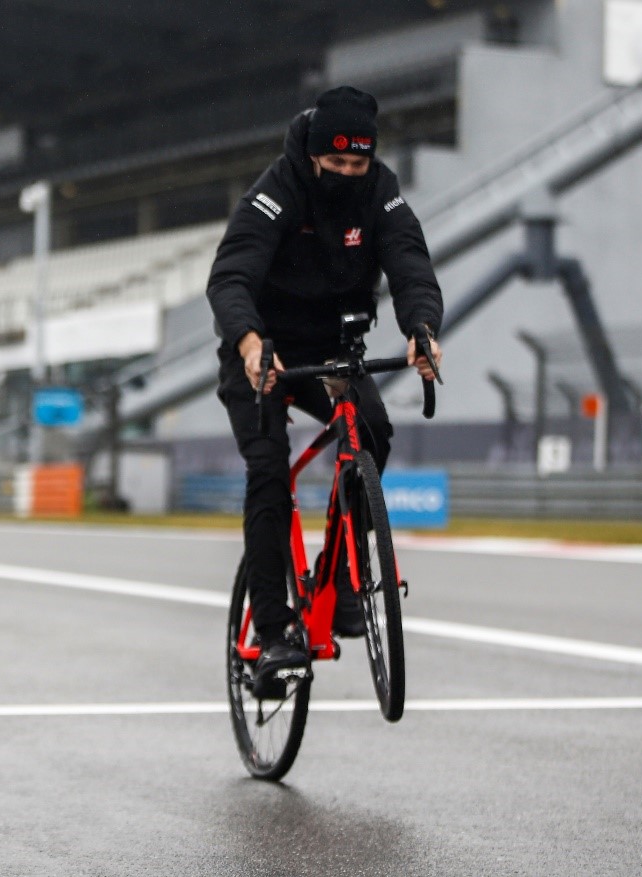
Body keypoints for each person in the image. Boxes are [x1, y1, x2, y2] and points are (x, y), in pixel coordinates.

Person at [205, 86, 443, 684]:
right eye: (333, 163)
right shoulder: (277, 189)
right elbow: (230, 275)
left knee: (373, 431)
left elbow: (410, 262)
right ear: (312, 155)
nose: (345, 174)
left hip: (332, 348)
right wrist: (250, 342)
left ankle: (342, 582)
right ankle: (273, 627)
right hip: (260, 349)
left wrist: (421, 326)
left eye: (355, 165)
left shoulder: (380, 190)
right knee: (267, 470)